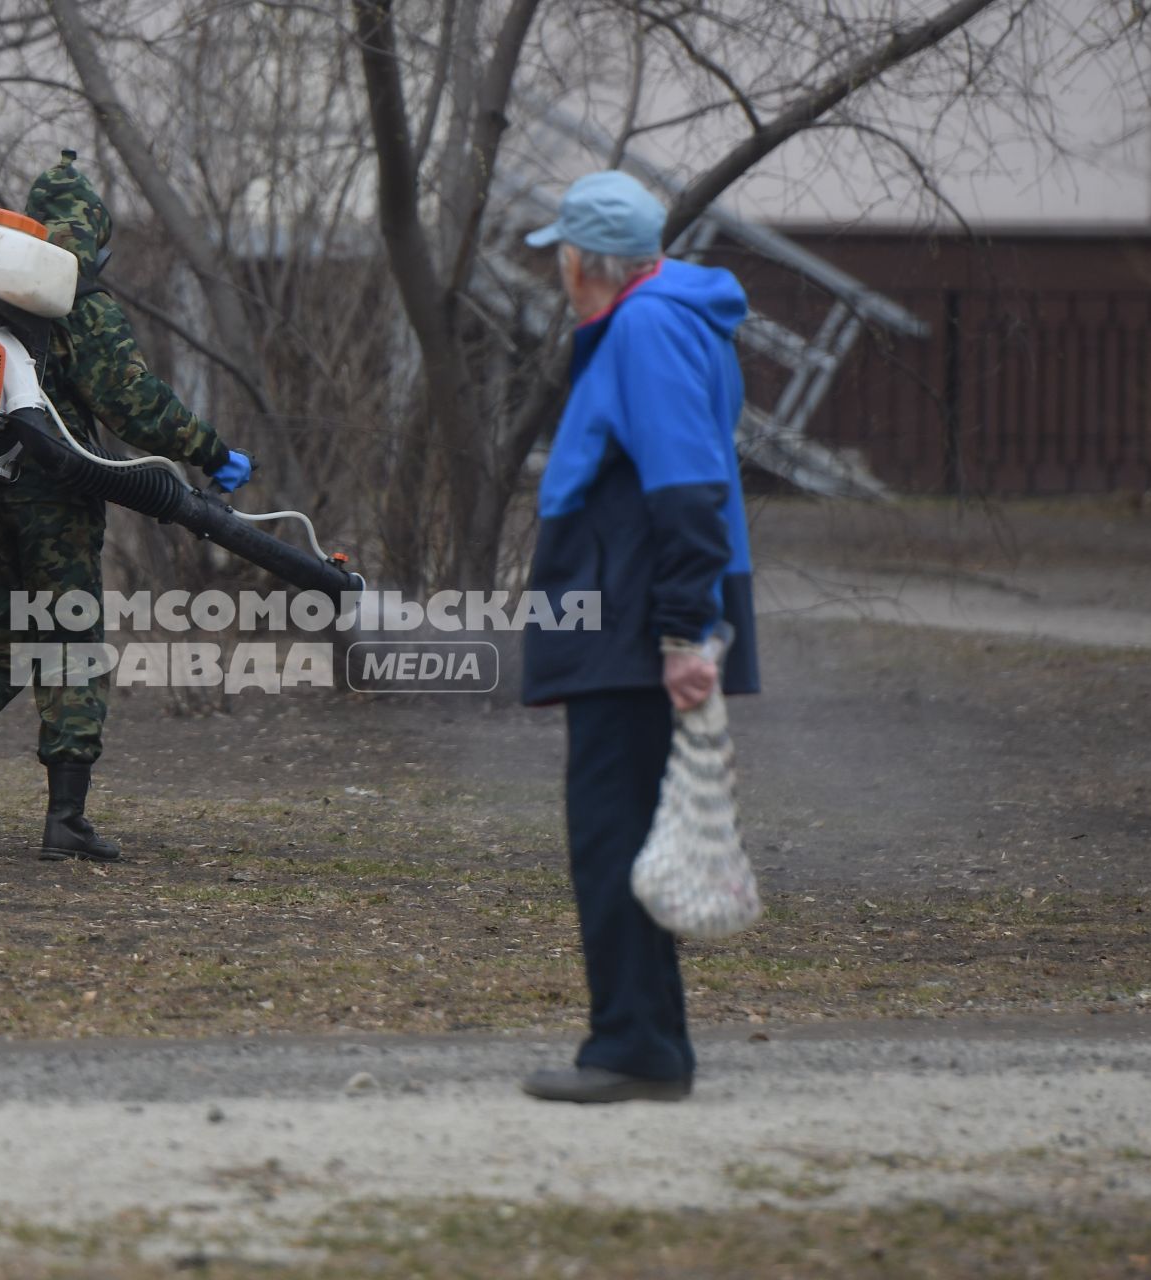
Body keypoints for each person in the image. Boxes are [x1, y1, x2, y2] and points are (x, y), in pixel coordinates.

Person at [0, 151, 253, 862]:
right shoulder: (72, 298)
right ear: (95, 238)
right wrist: (211, 453)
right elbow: (132, 403)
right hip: (56, 498)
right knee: (68, 643)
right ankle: (66, 821)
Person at [518, 171, 760, 1103]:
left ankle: (632, 1047)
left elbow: (686, 486)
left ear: (586, 263)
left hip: (631, 620)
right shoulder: (658, 318)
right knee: (623, 833)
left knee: (610, 835)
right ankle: (650, 1041)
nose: (559, 274)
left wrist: (681, 634)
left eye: (562, 258)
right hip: (630, 613)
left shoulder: (649, 327)